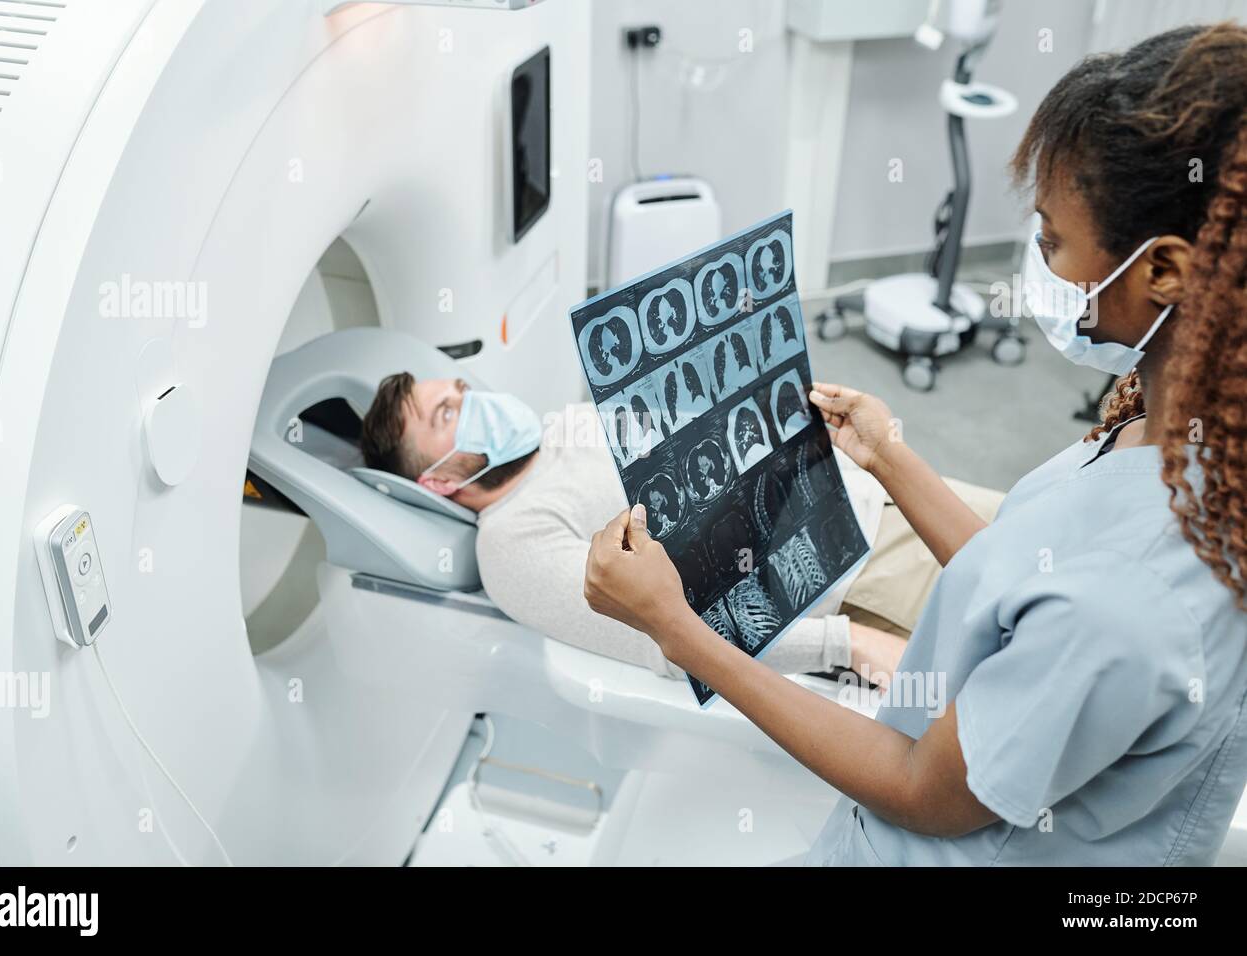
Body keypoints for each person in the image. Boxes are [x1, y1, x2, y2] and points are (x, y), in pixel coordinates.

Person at [583, 23, 1247, 865]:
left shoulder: (1136, 592)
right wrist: (889, 457)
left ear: (1165, 273)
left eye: (1050, 241)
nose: (1036, 264)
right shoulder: (1180, 437)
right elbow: (1028, 587)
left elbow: (919, 789)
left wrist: (674, 627)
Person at [359, 376, 1003, 685]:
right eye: (448, 413)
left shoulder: (569, 422)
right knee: (1045, 622)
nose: (475, 404)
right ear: (438, 481)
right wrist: (848, 643)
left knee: (1055, 527)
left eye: (463, 390)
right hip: (853, 573)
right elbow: (665, 638)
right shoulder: (511, 542)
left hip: (873, 486)